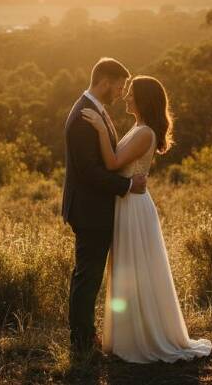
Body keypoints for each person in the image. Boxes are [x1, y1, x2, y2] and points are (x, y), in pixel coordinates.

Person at [81, 75, 212, 363]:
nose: (126, 96)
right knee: (128, 269)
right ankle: (129, 334)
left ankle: (144, 338)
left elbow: (114, 163)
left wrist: (101, 131)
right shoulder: (139, 127)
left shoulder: (145, 133)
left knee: (136, 269)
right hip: (128, 201)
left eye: (131, 93)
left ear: (143, 99)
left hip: (134, 206)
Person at [62, 57, 147, 359]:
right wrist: (126, 186)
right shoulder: (84, 115)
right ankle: (82, 341)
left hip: (95, 208)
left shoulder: (95, 110)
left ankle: (85, 336)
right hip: (89, 210)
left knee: (90, 275)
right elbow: (88, 171)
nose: (120, 92)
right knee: (88, 276)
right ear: (104, 81)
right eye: (119, 86)